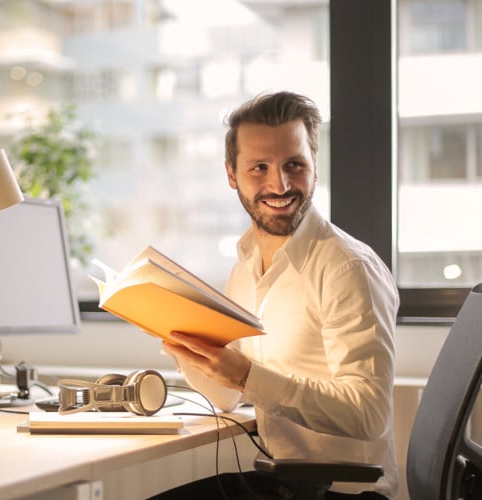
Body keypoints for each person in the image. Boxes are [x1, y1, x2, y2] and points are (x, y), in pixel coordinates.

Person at [155, 91, 398, 499]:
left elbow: (368, 413)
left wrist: (246, 375)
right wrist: (181, 341)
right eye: (259, 168)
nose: (279, 184)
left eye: (294, 165)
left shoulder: (347, 268)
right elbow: (228, 397)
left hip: (345, 493)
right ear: (232, 175)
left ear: (314, 167)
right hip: (281, 483)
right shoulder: (247, 262)